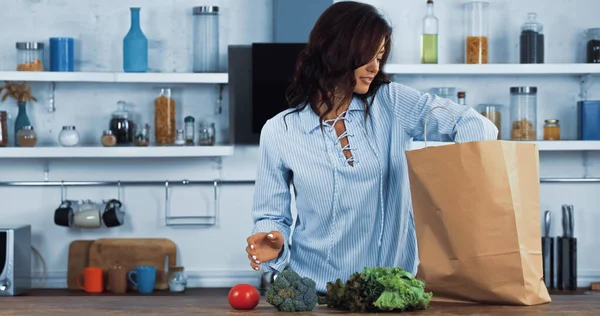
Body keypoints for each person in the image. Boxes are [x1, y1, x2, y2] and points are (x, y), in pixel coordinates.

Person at [245, 1, 498, 294]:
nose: (375, 67)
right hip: (316, 292)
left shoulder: (392, 103)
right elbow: (271, 215)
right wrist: (270, 239)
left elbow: (475, 124)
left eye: (380, 56)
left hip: (392, 290)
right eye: (367, 56)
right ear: (335, 51)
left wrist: (459, 185)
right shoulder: (280, 130)